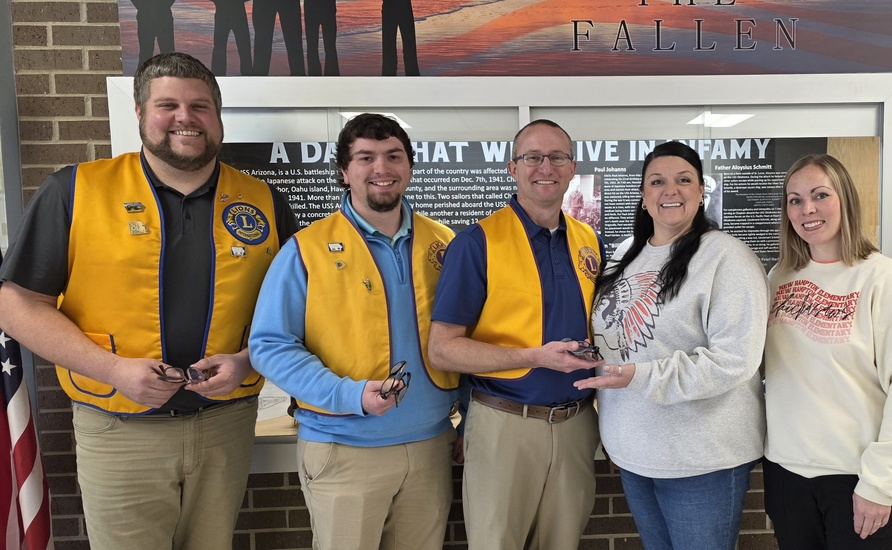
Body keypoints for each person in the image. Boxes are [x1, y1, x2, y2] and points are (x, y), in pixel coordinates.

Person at [0, 52, 299, 549]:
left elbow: (295, 308)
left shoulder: (264, 199)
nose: (185, 117)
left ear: (218, 119)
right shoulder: (74, 191)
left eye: (200, 106)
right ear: (140, 114)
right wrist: (113, 369)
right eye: (168, 105)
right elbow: (17, 304)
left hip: (226, 423)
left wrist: (247, 360)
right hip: (118, 428)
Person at [249, 113, 461, 550]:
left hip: (431, 447)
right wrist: (348, 395)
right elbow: (269, 346)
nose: (381, 168)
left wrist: (471, 421)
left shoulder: (446, 244)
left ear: (410, 166)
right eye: (366, 157)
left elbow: (470, 340)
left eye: (393, 156)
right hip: (343, 450)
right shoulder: (305, 250)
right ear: (345, 172)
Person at [573, 141, 767, 549]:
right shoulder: (627, 254)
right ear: (643, 196)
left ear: (700, 193)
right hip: (635, 453)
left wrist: (640, 377)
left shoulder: (728, 258)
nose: (670, 190)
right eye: (657, 181)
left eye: (684, 180)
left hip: (700, 458)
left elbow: (734, 360)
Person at [429, 119, 603, 550]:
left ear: (572, 166)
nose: (546, 166)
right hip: (505, 425)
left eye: (557, 156)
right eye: (532, 157)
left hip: (577, 426)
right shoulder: (476, 243)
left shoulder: (588, 241)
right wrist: (534, 357)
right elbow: (443, 350)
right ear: (512, 168)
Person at [763, 154, 892, 549]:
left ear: (845, 199)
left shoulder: (884, 280)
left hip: (857, 478)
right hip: (787, 475)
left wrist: (881, 483)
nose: (806, 209)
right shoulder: (780, 276)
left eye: (819, 195)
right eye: (794, 199)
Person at [210, 0, 253, 75]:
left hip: (230, 13)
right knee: (220, 49)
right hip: (232, 13)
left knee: (244, 49)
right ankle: (218, 76)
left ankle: (218, 76)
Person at [131, 0, 176, 67]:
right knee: (146, 53)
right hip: (150, 16)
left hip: (161, 16)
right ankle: (143, 75)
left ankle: (171, 73)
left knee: (167, 53)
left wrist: (143, 7)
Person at [382, 0, 420, 75]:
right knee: (408, 44)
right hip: (398, 5)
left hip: (394, 6)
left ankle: (389, 74)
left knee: (389, 45)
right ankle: (412, 74)